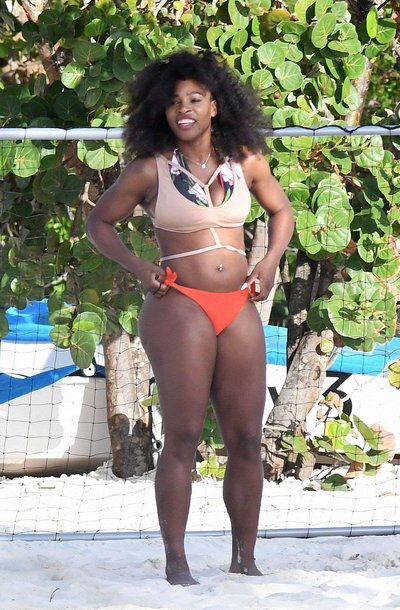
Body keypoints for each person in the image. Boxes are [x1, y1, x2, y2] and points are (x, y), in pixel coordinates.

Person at [86, 50, 294, 586]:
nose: (184, 109)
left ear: (215, 106)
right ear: (161, 109)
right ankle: (177, 562)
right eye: (174, 101)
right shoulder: (149, 168)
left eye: (195, 99)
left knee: (245, 439)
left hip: (238, 304)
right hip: (180, 304)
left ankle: (244, 558)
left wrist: (269, 261)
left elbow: (281, 210)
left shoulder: (245, 160)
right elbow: (100, 223)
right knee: (181, 436)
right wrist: (139, 267)